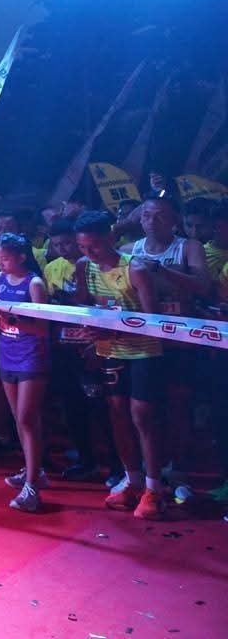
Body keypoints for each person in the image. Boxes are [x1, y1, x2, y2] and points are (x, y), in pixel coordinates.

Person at [74, 210, 165, 519]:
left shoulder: (135, 269)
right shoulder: (84, 267)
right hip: (109, 350)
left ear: (110, 237)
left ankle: (154, 489)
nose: (89, 252)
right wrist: (87, 332)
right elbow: (83, 306)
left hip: (143, 352)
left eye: (95, 246)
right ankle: (133, 481)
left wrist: (111, 331)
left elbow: (154, 321)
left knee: (143, 417)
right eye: (83, 247)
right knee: (117, 415)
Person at [120, 193, 209, 486]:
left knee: (179, 405)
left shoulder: (188, 247)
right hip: (144, 343)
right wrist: (125, 222)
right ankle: (150, 466)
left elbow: (202, 286)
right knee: (145, 408)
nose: (152, 222)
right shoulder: (130, 249)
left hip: (180, 341)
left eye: (160, 216)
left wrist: (160, 269)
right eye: (146, 215)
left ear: (174, 220)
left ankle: (179, 466)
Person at [0, 233, 51, 512]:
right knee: (19, 419)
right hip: (6, 352)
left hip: (31, 355)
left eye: (6, 258)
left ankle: (32, 487)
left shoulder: (34, 284)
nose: (1, 263)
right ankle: (34, 471)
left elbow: (43, 328)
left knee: (27, 418)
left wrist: (11, 319)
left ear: (22, 257)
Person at [43, 218, 104, 481]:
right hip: (64, 345)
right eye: (57, 245)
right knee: (71, 404)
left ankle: (115, 463)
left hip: (93, 344)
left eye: (68, 243)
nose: (63, 249)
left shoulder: (94, 264)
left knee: (101, 406)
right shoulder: (51, 268)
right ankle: (85, 458)